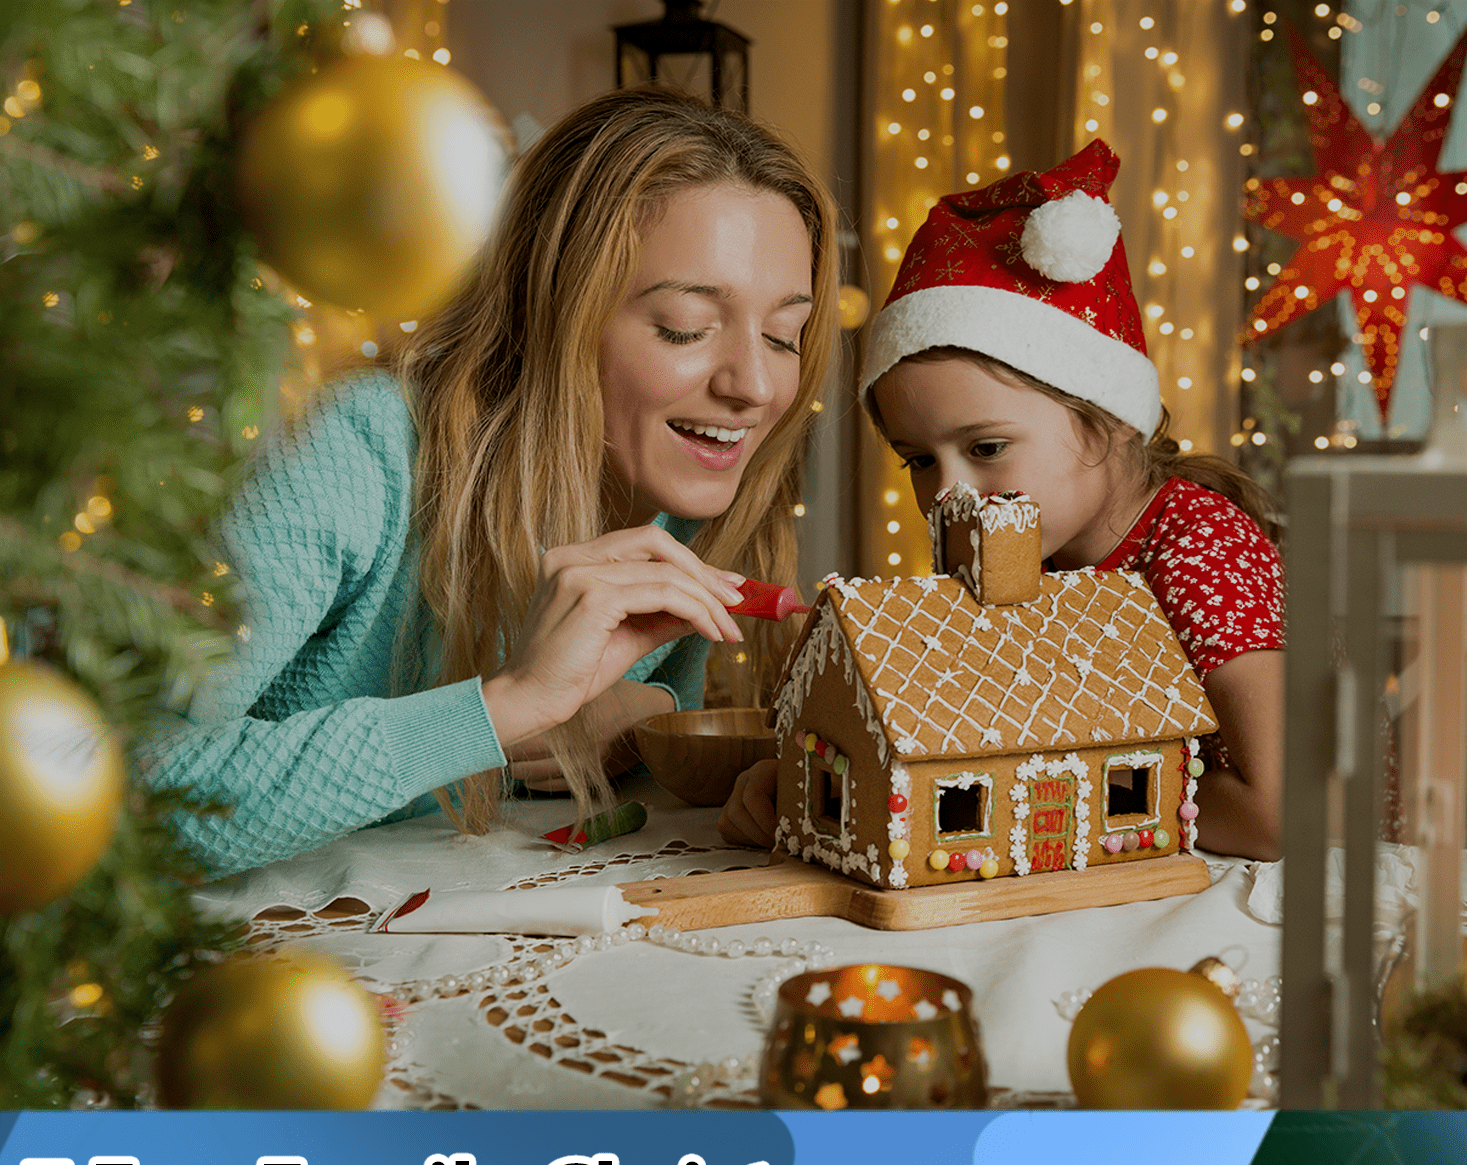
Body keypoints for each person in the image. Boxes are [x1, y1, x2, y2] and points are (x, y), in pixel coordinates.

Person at [143, 88, 837, 876]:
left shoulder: (685, 492)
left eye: (785, 333)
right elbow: (137, 797)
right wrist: (503, 707)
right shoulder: (358, 451)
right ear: (553, 311)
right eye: (685, 325)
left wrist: (650, 720)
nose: (753, 384)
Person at [721, 140, 1283, 861]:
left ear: (1107, 420)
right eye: (919, 459)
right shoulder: (1005, 553)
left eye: (986, 447)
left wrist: (1043, 779)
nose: (947, 493)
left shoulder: (1198, 548)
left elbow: (1276, 814)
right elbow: (943, 732)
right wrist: (820, 780)